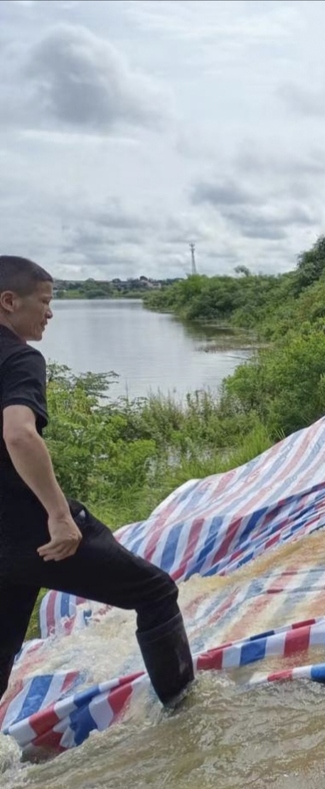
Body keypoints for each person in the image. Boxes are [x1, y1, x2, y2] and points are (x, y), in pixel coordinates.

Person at [0, 255, 194, 708]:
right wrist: (60, 516)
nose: (50, 313)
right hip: (35, 533)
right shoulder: (20, 358)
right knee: (156, 592)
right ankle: (185, 715)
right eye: (44, 302)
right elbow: (18, 433)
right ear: (8, 302)